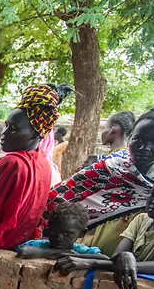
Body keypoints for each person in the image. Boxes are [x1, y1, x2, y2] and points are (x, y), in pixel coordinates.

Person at [0, 84, 71, 250]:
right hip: (17, 243)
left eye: (14, 129)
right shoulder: (44, 165)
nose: (4, 134)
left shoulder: (12, 163)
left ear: (35, 133)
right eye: (6, 126)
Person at [44, 109, 154, 255]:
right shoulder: (110, 168)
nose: (144, 148)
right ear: (130, 137)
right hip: (77, 253)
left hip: (127, 266)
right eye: (138, 140)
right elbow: (53, 201)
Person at [56, 187, 154, 289]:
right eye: (152, 194)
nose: (152, 201)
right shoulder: (141, 219)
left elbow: (124, 264)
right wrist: (125, 256)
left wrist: (92, 263)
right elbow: (118, 257)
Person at [16, 203, 104, 259]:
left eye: (67, 233)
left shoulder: (81, 251)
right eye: (54, 232)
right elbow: (24, 251)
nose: (59, 238)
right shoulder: (37, 245)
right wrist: (62, 253)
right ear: (48, 230)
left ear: (82, 233)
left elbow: (104, 259)